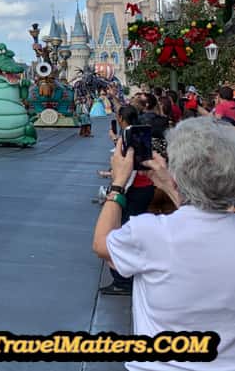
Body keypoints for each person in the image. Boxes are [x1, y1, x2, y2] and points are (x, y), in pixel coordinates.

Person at [92, 117, 235, 368]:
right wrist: (169, 184)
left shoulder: (151, 233)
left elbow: (103, 244)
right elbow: (204, 216)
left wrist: (118, 184)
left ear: (178, 172)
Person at [99, 103, 155, 295]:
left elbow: (126, 165)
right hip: (145, 187)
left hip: (132, 189)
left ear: (122, 119)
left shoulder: (127, 136)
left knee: (119, 232)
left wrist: (116, 190)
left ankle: (122, 280)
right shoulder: (140, 132)